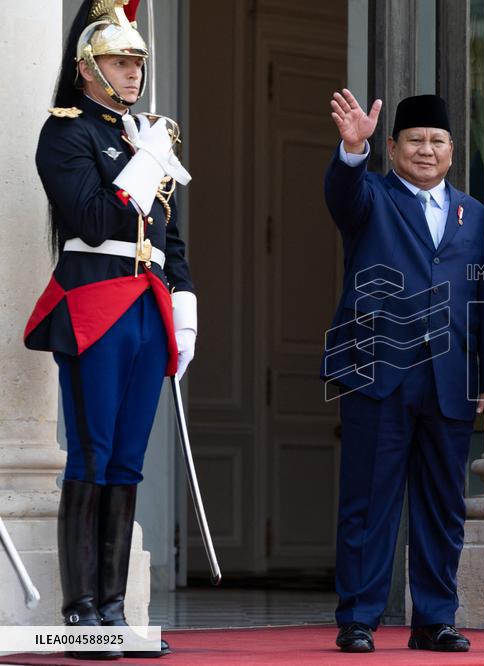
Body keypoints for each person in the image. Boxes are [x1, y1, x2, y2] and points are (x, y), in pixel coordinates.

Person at [23, 0, 194, 659]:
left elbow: (167, 233)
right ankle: (82, 615)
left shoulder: (143, 133)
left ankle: (116, 612)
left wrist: (185, 297)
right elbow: (94, 219)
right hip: (95, 303)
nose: (134, 73)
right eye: (122, 62)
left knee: (127, 461)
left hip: (147, 307)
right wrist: (144, 162)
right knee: (92, 455)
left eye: (139, 63)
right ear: (88, 68)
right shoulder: (65, 134)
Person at [323, 89, 484, 654]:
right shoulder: (370, 196)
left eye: (437, 141)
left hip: (450, 379)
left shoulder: (475, 216)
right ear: (393, 146)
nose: (426, 151)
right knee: (368, 500)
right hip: (378, 372)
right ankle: (358, 616)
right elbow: (341, 195)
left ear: (452, 149)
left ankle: (434, 617)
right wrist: (350, 151)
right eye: (415, 141)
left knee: (443, 504)